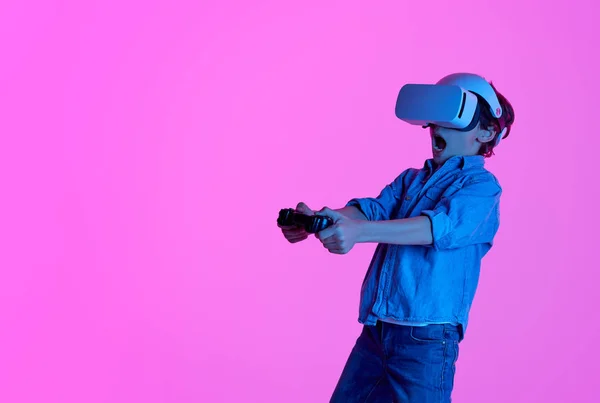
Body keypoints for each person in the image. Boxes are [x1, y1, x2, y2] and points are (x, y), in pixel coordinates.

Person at [278, 73, 515, 402]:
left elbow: (433, 228)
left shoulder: (481, 189)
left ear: (486, 132)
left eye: (451, 118)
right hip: (378, 331)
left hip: (428, 338)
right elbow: (373, 210)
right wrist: (321, 218)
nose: (436, 128)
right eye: (434, 118)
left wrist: (359, 233)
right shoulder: (411, 180)